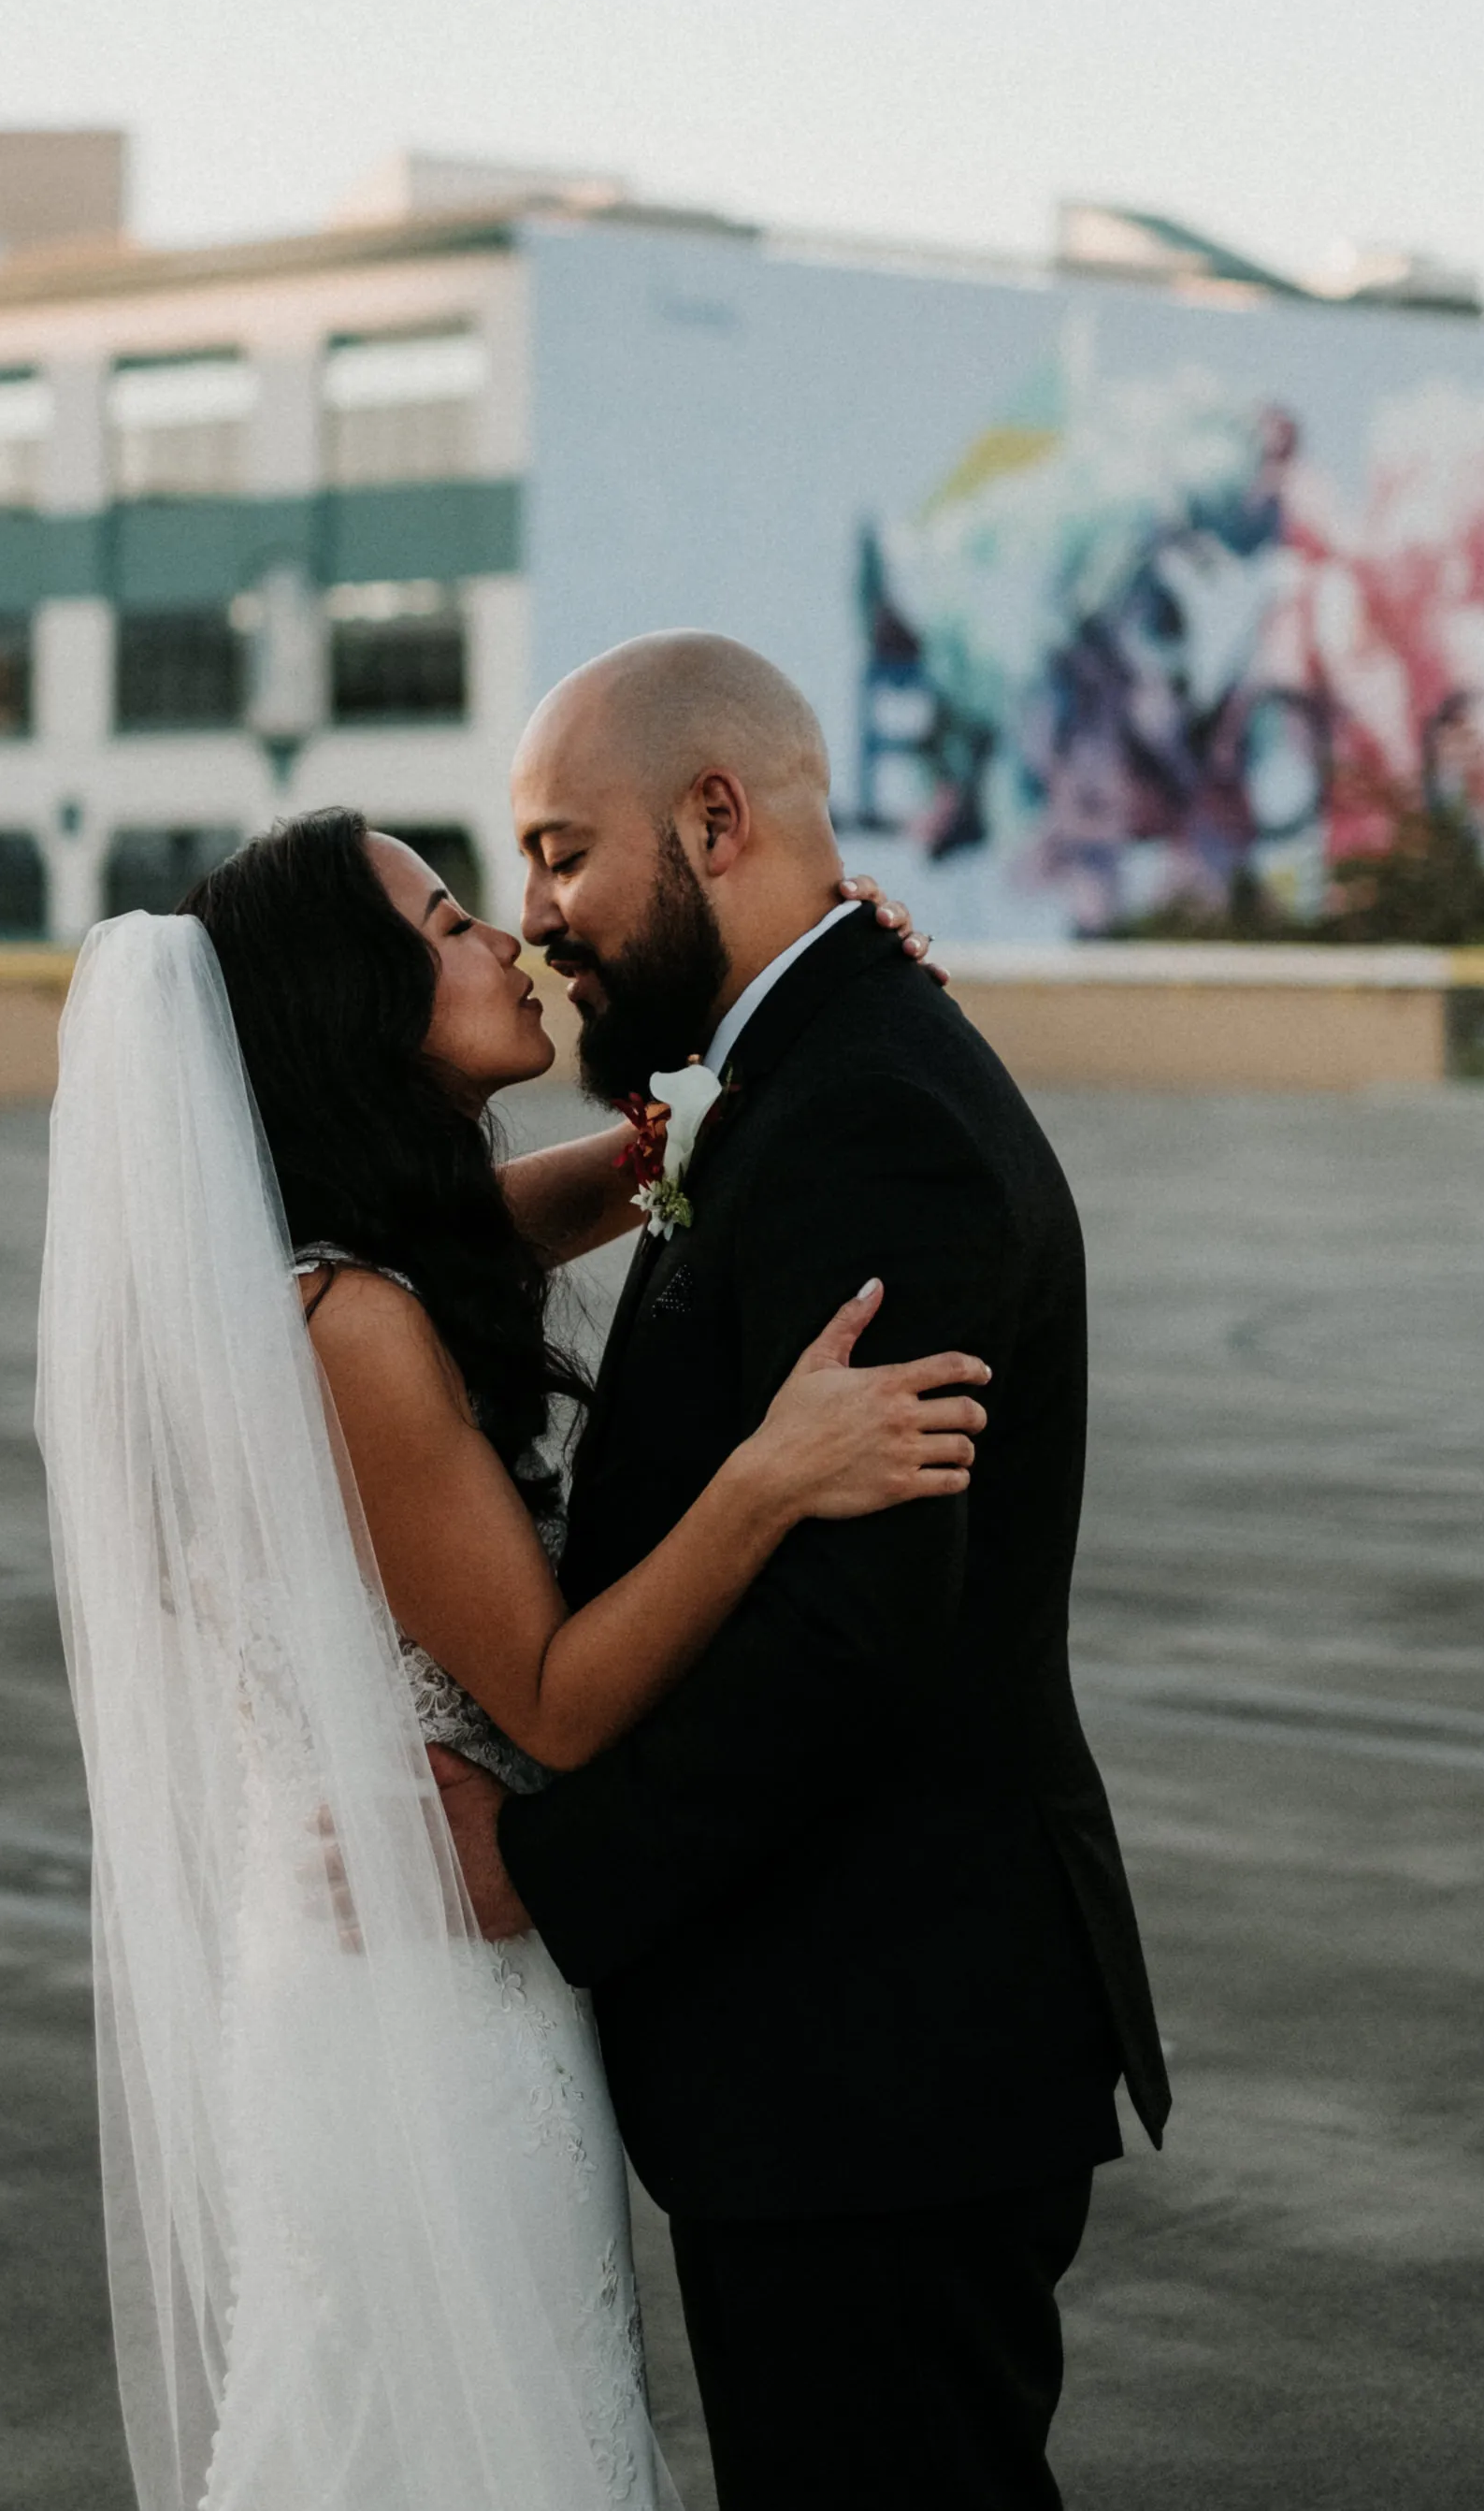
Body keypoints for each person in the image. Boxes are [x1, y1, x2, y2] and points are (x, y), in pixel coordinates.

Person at [36, 805, 983, 2511]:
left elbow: (594, 1186)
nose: (512, 943)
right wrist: (772, 1475)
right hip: (423, 2003)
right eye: (452, 920)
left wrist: (792, 1005)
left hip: (416, 1972)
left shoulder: (365, 1267)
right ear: (358, 1007)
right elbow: (549, 1693)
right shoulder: (355, 1326)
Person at [431, 629, 1171, 2510]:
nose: (536, 919)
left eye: (558, 853)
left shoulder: (868, 1120)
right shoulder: (795, 1082)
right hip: (841, 2059)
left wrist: (539, 1868)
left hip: (883, 2059)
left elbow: (850, 1646)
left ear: (712, 814)